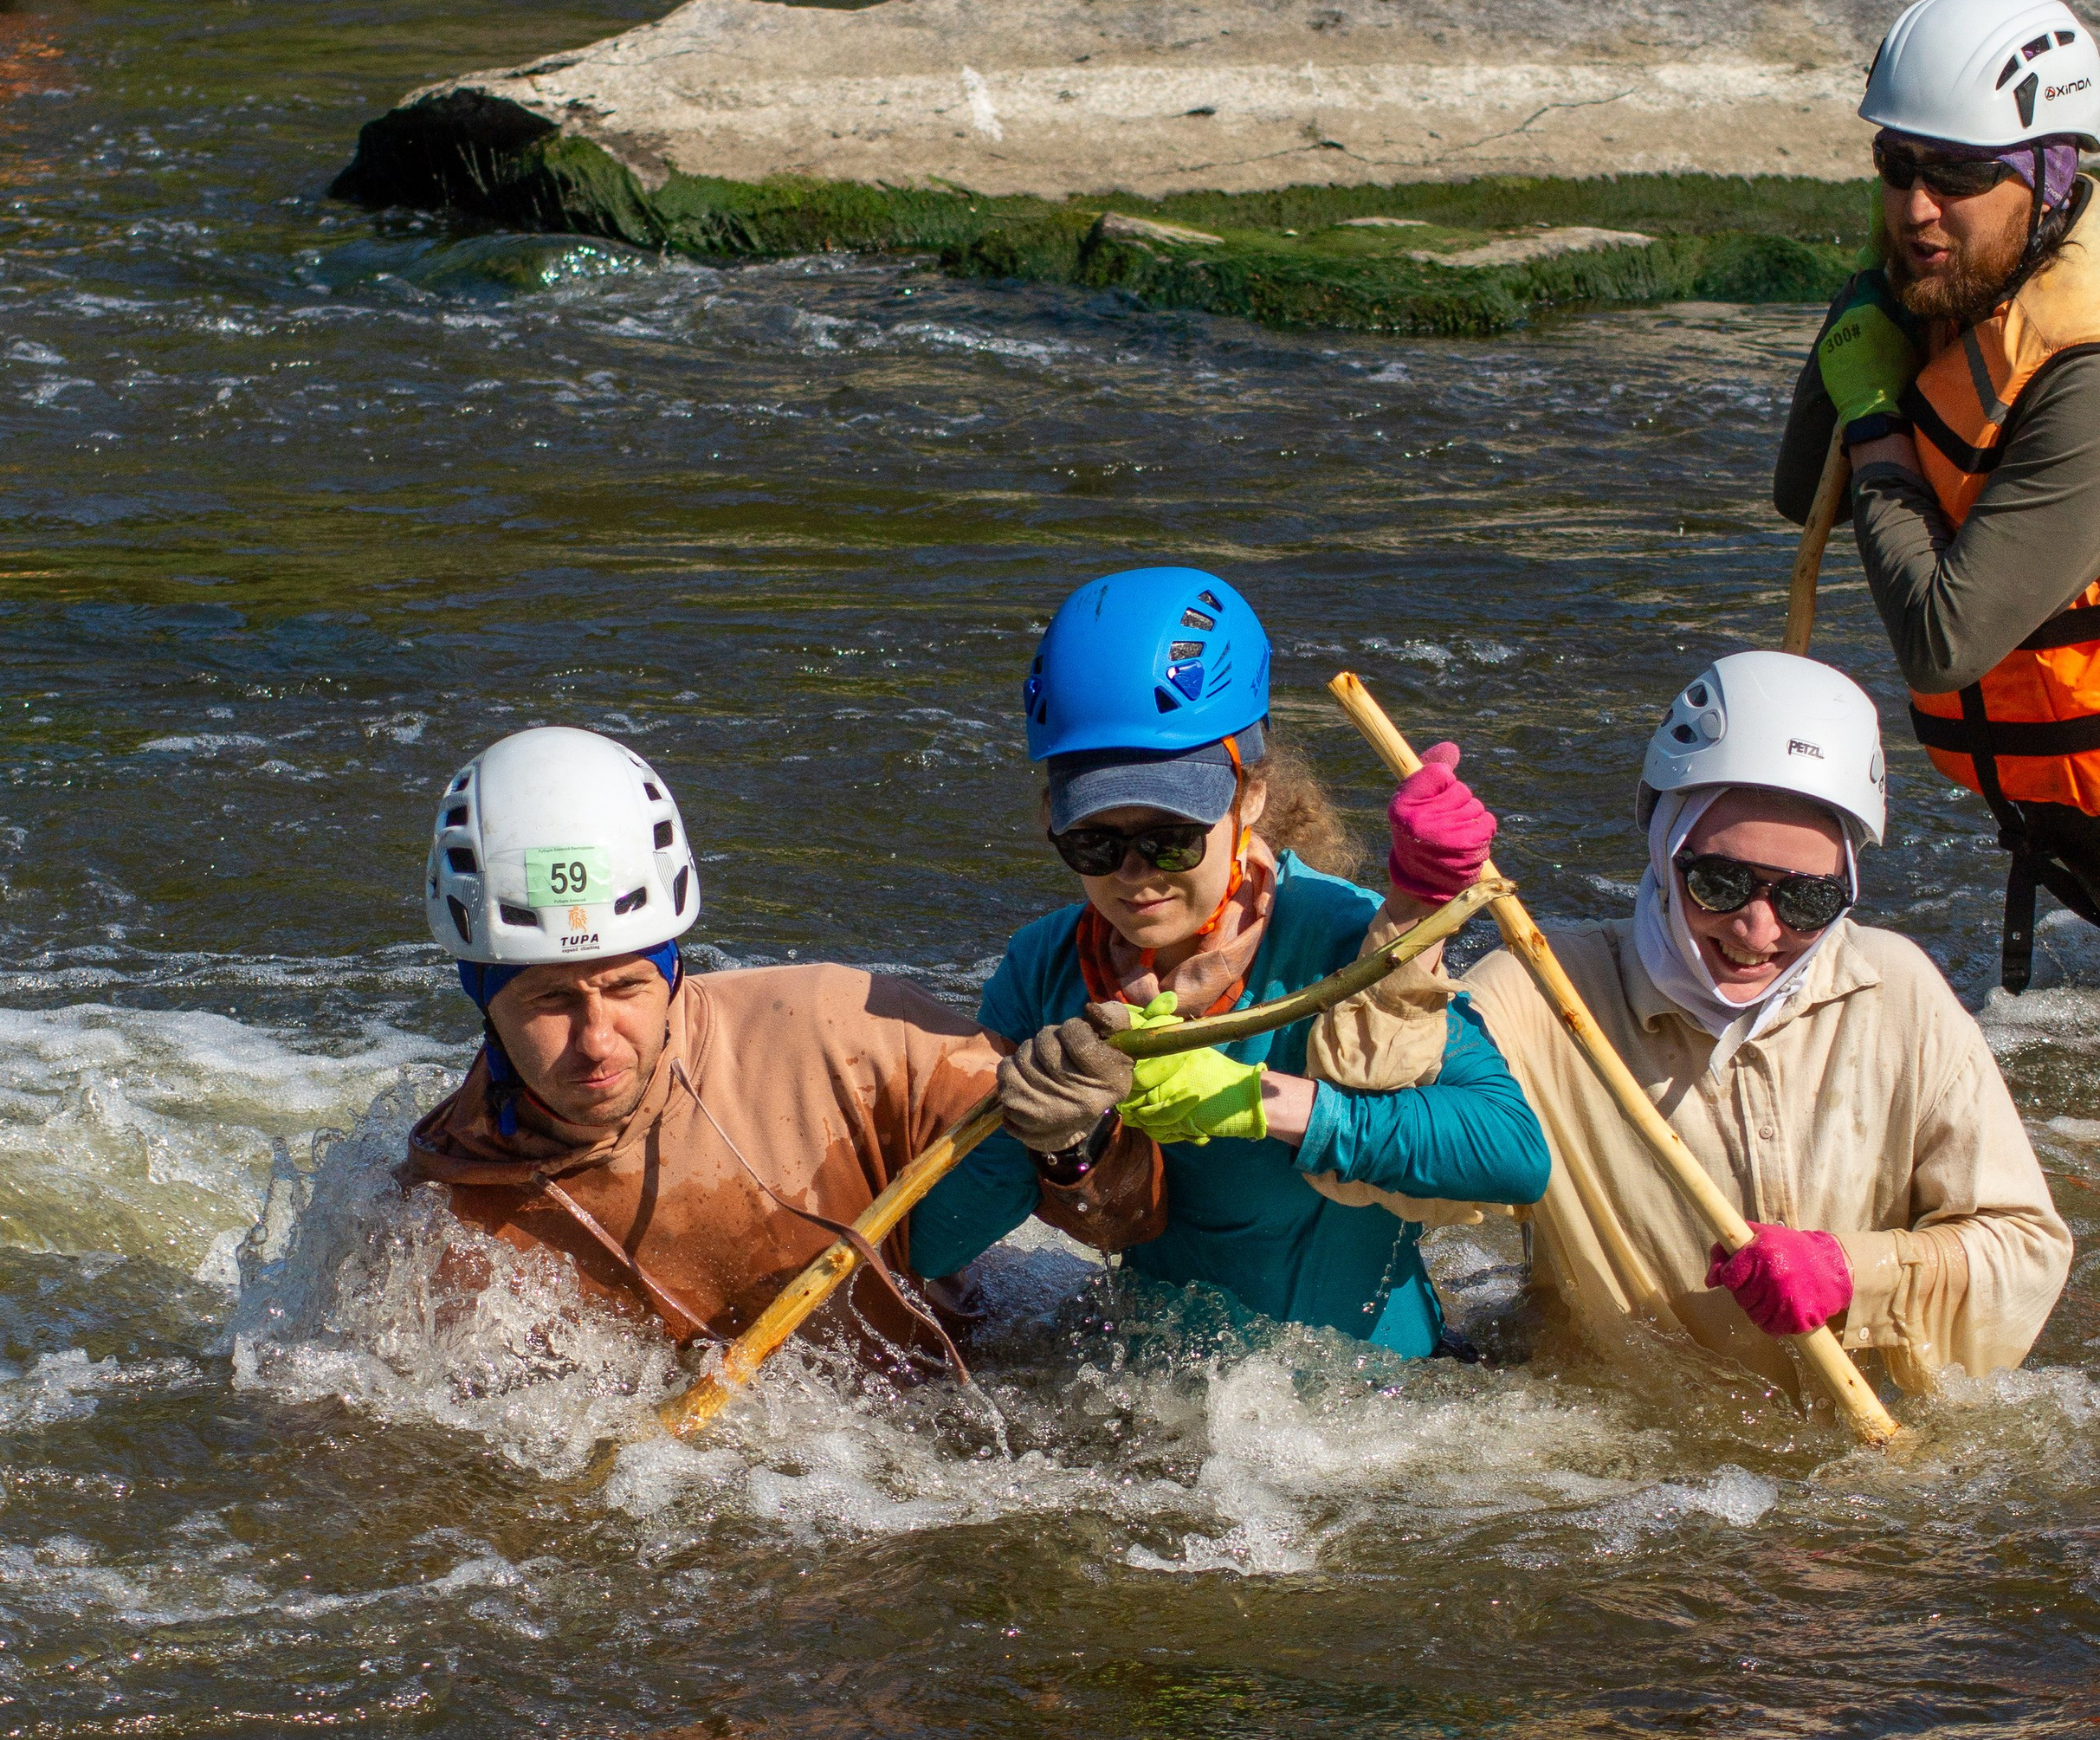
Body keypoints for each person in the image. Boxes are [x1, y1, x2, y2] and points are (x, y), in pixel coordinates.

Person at [1308, 651, 2070, 1401]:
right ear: (1664, 847)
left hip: (1849, 1478)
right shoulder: (1544, 994)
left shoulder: (1898, 990)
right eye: (1721, 882)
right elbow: (1358, 1154)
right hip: (1617, 1472)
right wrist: (1417, 912)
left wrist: (1852, 1274)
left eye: (1807, 900)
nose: (1758, 928)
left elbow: (2026, 1250)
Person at [911, 567, 1551, 1351]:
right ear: (1052, 819)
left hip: (1378, 1408)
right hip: (1154, 1402)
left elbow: (1513, 1154)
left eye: (1171, 835)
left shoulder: (1348, 942)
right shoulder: (1042, 968)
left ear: (1249, 795)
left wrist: (1260, 1102)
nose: (1135, 872)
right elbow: (931, 1246)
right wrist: (1051, 1142)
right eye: (1094, 842)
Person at [404, 725, 1003, 1365]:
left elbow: (1095, 1194)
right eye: (551, 1001)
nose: (599, 1039)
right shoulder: (441, 1209)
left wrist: (1077, 1149)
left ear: (672, 972)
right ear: (484, 1000)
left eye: (627, 986)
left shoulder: (845, 1036)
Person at [1773, 0, 2100, 993]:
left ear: (2050, 175)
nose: (1916, 207)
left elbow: (1944, 641)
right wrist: (1870, 300)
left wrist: (1877, 425)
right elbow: (1800, 491)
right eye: (1896, 167)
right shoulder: (1952, 279)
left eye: (1956, 172)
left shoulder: (2082, 368)